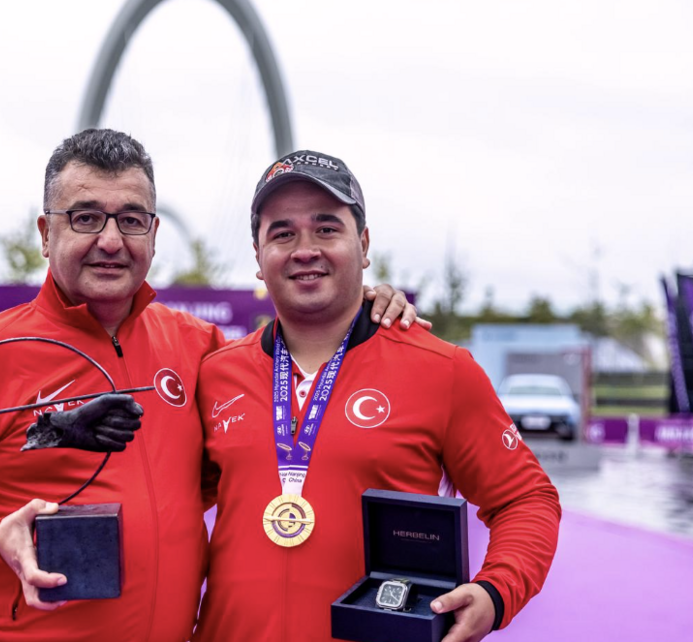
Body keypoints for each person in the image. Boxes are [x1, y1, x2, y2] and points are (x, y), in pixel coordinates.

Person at [0, 129, 421, 642]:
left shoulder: (201, 348)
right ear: (46, 233)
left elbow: (241, 462)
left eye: (132, 220)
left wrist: (363, 306)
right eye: (86, 217)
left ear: (154, 234)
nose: (111, 241)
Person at [194, 150, 561, 642]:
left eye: (327, 229)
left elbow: (526, 498)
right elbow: (163, 497)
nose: (305, 248)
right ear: (258, 258)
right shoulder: (216, 373)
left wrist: (497, 592)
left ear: (363, 245)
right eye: (282, 233)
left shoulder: (442, 369)